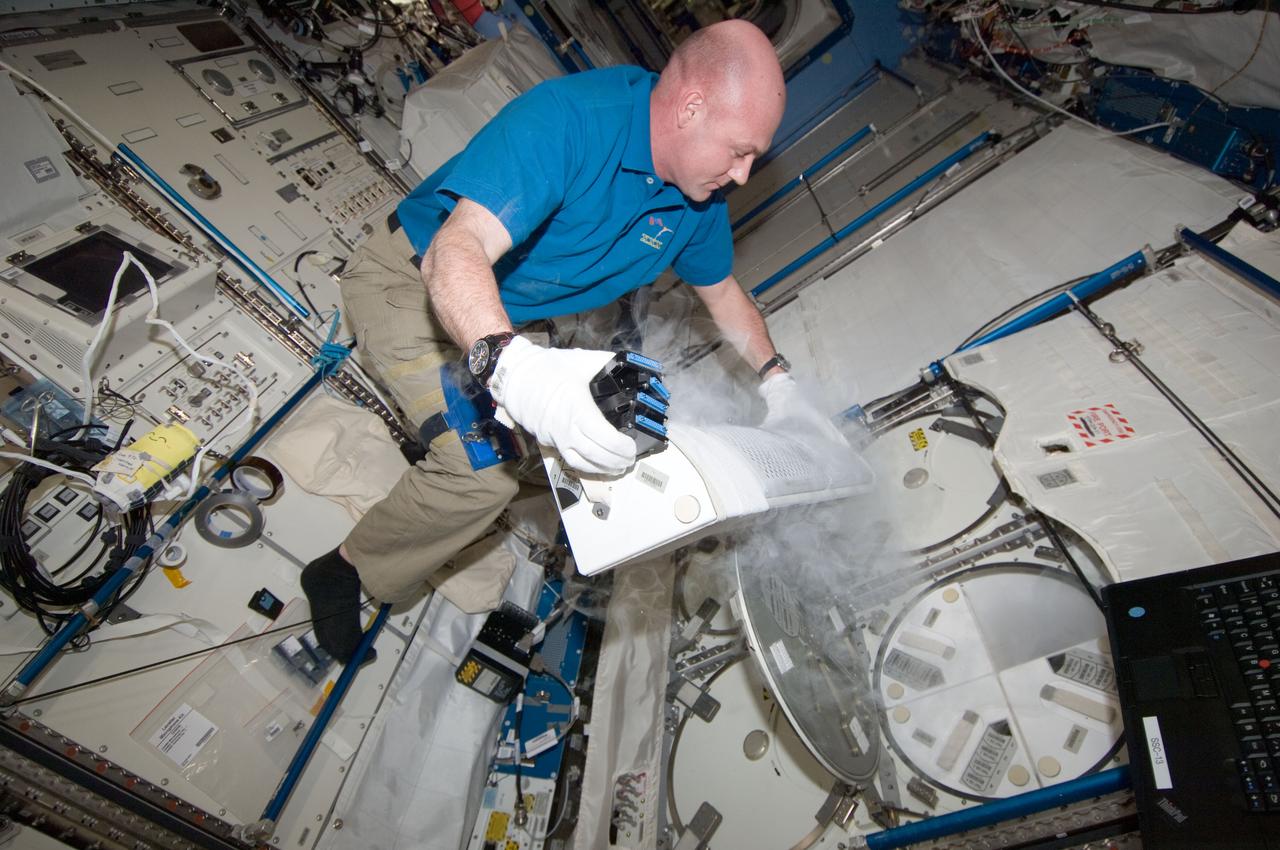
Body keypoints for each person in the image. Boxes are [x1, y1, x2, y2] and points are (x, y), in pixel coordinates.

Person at [302, 19, 813, 661]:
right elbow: (454, 253)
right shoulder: (571, 120)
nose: (742, 175)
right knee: (478, 477)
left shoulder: (697, 204)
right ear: (690, 108)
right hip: (416, 287)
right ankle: (347, 567)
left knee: (604, 440)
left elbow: (725, 296)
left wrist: (779, 380)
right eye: (739, 152)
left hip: (511, 315)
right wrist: (515, 370)